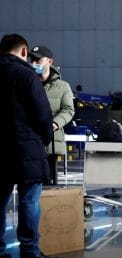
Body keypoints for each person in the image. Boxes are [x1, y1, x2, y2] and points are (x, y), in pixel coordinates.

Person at [0, 34, 61, 258]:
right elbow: (42, 112)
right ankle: (30, 251)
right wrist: (43, 138)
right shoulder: (26, 74)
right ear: (24, 51)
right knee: (29, 201)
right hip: (27, 147)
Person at [28, 45, 75, 185]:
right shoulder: (27, 82)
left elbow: (68, 110)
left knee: (49, 184)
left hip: (51, 142)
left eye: (38, 60)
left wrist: (54, 124)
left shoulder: (63, 86)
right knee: (31, 183)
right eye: (32, 60)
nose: (34, 63)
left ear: (50, 61)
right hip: (30, 141)